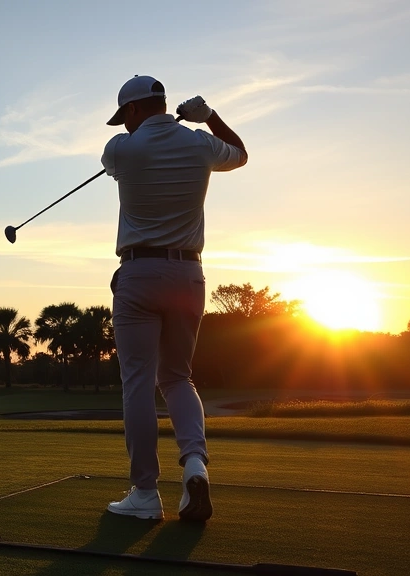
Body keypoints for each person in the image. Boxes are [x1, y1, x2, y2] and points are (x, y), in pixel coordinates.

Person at [99, 75, 247, 521]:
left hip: (139, 273)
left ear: (134, 110)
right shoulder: (201, 143)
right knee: (179, 378)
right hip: (188, 274)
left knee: (139, 386)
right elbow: (240, 155)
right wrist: (211, 118)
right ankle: (195, 465)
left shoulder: (120, 151)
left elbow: (117, 162)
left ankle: (145, 494)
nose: (122, 126)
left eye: (124, 117)